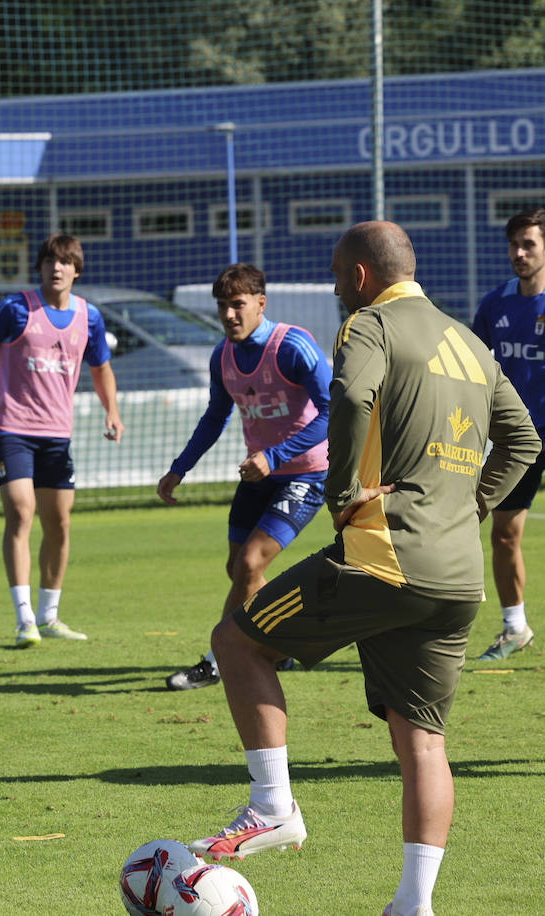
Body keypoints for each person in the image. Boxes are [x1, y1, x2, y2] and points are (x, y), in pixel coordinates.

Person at [187, 222, 539, 916]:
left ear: (359, 278)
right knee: (423, 740)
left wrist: (345, 496)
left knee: (235, 642)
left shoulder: (370, 324)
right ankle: (414, 903)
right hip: (459, 575)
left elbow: (346, 399)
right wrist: (467, 508)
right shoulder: (469, 340)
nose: (333, 288)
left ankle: (271, 807)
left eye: (334, 275)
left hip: (385, 554)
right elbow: (525, 438)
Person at [157, 264, 331, 690]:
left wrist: (275, 455)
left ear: (260, 303)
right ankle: (280, 644)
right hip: (260, 474)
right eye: (222, 307)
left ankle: (218, 662)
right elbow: (216, 416)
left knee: (252, 563)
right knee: (239, 569)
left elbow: (335, 409)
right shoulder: (223, 356)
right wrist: (179, 468)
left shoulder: (293, 346)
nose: (229, 315)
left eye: (237, 305)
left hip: (306, 473)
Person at [0, 234, 124, 648]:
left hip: (57, 437)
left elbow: (102, 368)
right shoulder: (14, 309)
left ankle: (49, 616)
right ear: (40, 268)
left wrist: (112, 410)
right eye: (49, 261)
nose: (56, 268)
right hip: (10, 429)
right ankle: (24, 617)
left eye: (64, 262)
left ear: (77, 270)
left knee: (59, 524)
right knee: (21, 513)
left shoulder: (90, 317)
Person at [469, 206, 545, 660]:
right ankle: (515, 627)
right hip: (519, 439)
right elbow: (475, 369)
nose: (518, 253)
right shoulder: (496, 304)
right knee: (502, 533)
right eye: (514, 245)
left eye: (529, 244)